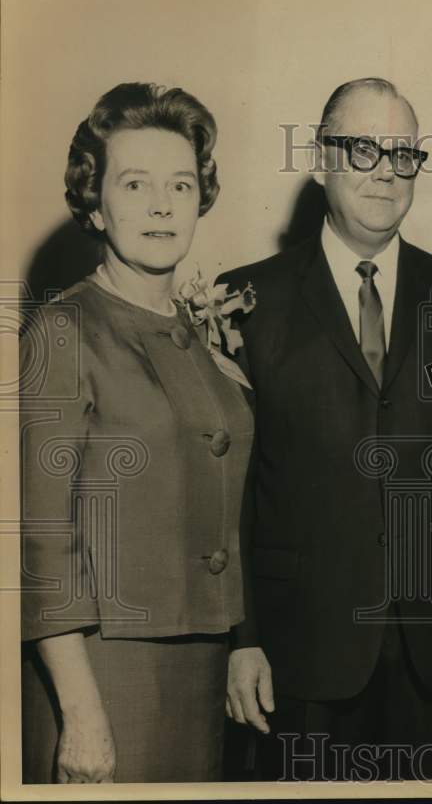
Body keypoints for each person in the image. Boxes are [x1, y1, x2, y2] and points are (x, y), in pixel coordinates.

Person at [219, 77, 432, 781]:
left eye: (403, 152)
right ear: (321, 161)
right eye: (362, 148)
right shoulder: (248, 298)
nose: (385, 169)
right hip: (299, 647)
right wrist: (243, 638)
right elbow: (230, 491)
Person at [20, 83, 255, 782]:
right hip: (103, 668)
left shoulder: (201, 338)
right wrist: (82, 714)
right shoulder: (63, 329)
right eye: (135, 183)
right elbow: (40, 538)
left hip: (202, 661)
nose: (162, 204)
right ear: (95, 201)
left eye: (181, 184)